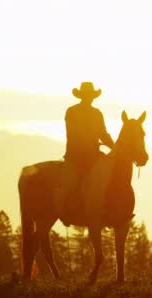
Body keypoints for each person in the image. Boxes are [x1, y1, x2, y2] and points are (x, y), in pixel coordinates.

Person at [58, 82, 115, 221]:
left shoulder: (97, 113)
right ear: (82, 96)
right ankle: (68, 207)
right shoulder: (71, 112)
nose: (89, 98)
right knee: (76, 180)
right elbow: (72, 133)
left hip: (93, 154)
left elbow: (103, 133)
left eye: (90, 96)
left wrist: (114, 147)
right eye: (87, 95)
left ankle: (108, 207)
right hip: (75, 154)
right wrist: (90, 140)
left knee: (110, 175)